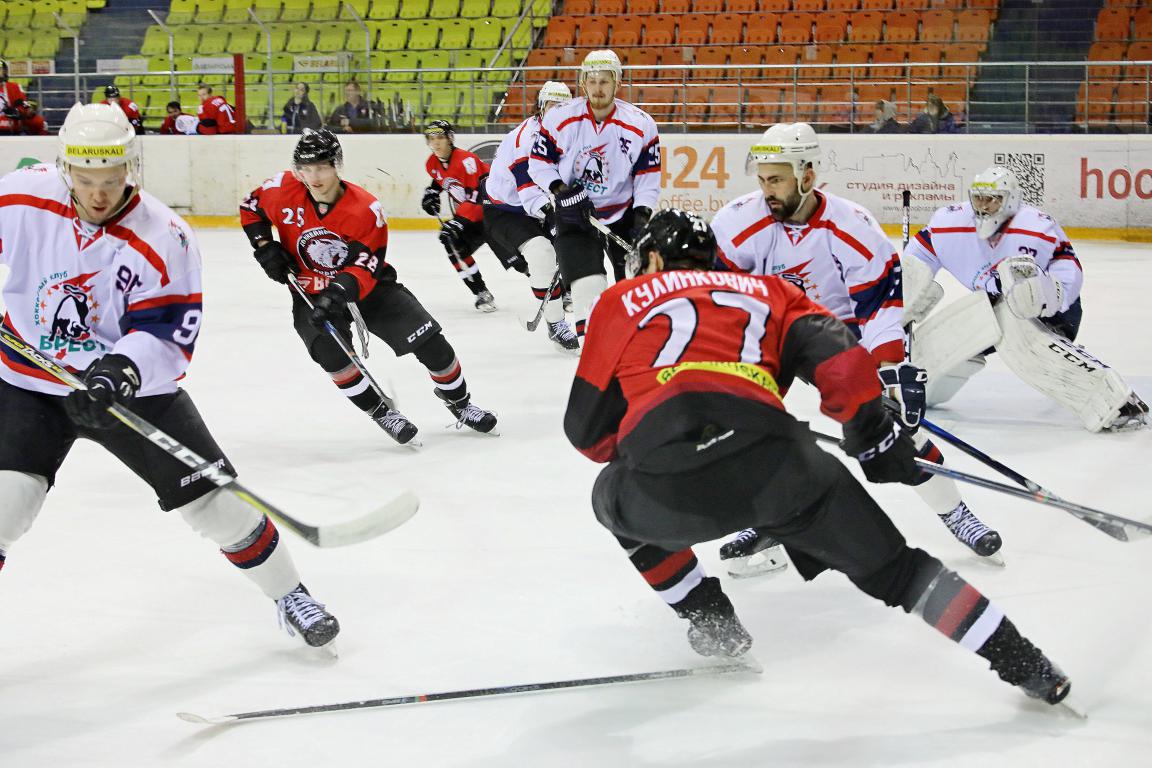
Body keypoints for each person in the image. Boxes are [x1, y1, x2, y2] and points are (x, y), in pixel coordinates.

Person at [564, 207, 1071, 707]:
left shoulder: (622, 299)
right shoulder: (772, 292)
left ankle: (710, 619)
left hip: (669, 484)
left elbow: (585, 434)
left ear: (651, 259)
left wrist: (640, 439)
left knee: (611, 500)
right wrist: (871, 434)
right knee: (899, 572)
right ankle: (1027, 664)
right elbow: (842, 359)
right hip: (784, 467)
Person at [0, 103, 339, 649]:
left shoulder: (165, 236)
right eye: (85, 180)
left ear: (128, 167)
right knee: (3, 504)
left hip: (126, 394)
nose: (99, 194)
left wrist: (120, 371)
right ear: (65, 169)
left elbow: (167, 334)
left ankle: (289, 593)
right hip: (27, 381)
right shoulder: (20, 197)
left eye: (110, 180)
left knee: (215, 504)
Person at [710, 123, 1002, 576]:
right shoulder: (737, 222)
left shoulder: (851, 225)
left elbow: (880, 304)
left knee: (889, 427)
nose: (766, 190)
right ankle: (770, 520)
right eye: (763, 179)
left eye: (777, 179)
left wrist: (886, 368)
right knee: (747, 426)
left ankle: (954, 512)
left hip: (832, 333)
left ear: (807, 175)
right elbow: (718, 293)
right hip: (767, 333)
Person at [239, 128, 498, 445]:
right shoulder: (282, 188)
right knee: (330, 356)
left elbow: (364, 267)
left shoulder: (365, 209)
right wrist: (265, 246)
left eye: (321, 167)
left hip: (372, 289)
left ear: (337, 165)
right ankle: (381, 411)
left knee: (432, 343)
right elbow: (250, 206)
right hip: (311, 294)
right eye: (305, 169)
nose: (313, 177)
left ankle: (461, 404)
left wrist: (335, 294)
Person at [903, 165, 1147, 431]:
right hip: (992, 305)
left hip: (1053, 311)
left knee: (1016, 317)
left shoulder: (1037, 226)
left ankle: (1115, 401)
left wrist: (1049, 296)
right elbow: (915, 263)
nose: (983, 206)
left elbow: (1068, 267)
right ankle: (907, 387)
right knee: (946, 337)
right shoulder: (948, 224)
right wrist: (904, 291)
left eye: (992, 200)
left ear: (1011, 200)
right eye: (978, 198)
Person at [528, 49, 661, 338]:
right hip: (574, 217)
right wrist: (561, 191)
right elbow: (538, 163)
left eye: (605, 81)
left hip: (621, 215)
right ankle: (594, 347)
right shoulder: (560, 119)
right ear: (583, 82)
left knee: (635, 288)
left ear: (618, 83)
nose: (598, 88)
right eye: (592, 80)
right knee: (589, 290)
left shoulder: (641, 123)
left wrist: (641, 214)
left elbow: (648, 177)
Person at [482, 80, 579, 351]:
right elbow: (529, 191)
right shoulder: (526, 138)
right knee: (541, 253)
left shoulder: (568, 135)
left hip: (531, 209)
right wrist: (554, 216)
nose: (558, 111)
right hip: (503, 211)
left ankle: (564, 293)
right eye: (552, 106)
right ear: (540, 107)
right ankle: (556, 322)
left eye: (563, 107)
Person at [421, 119, 503, 312]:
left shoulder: (466, 161)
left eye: (440, 137)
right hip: (472, 218)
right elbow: (441, 179)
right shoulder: (432, 163)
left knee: (520, 261)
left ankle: (561, 289)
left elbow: (479, 195)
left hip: (494, 215)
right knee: (452, 242)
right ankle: (481, 292)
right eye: (431, 138)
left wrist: (458, 221)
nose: (436, 142)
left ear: (450, 139)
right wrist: (432, 193)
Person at [0, 59, 31, 136]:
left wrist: (17, 111)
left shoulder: (14, 87)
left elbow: (26, 108)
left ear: (4, 71)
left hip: (9, 131)